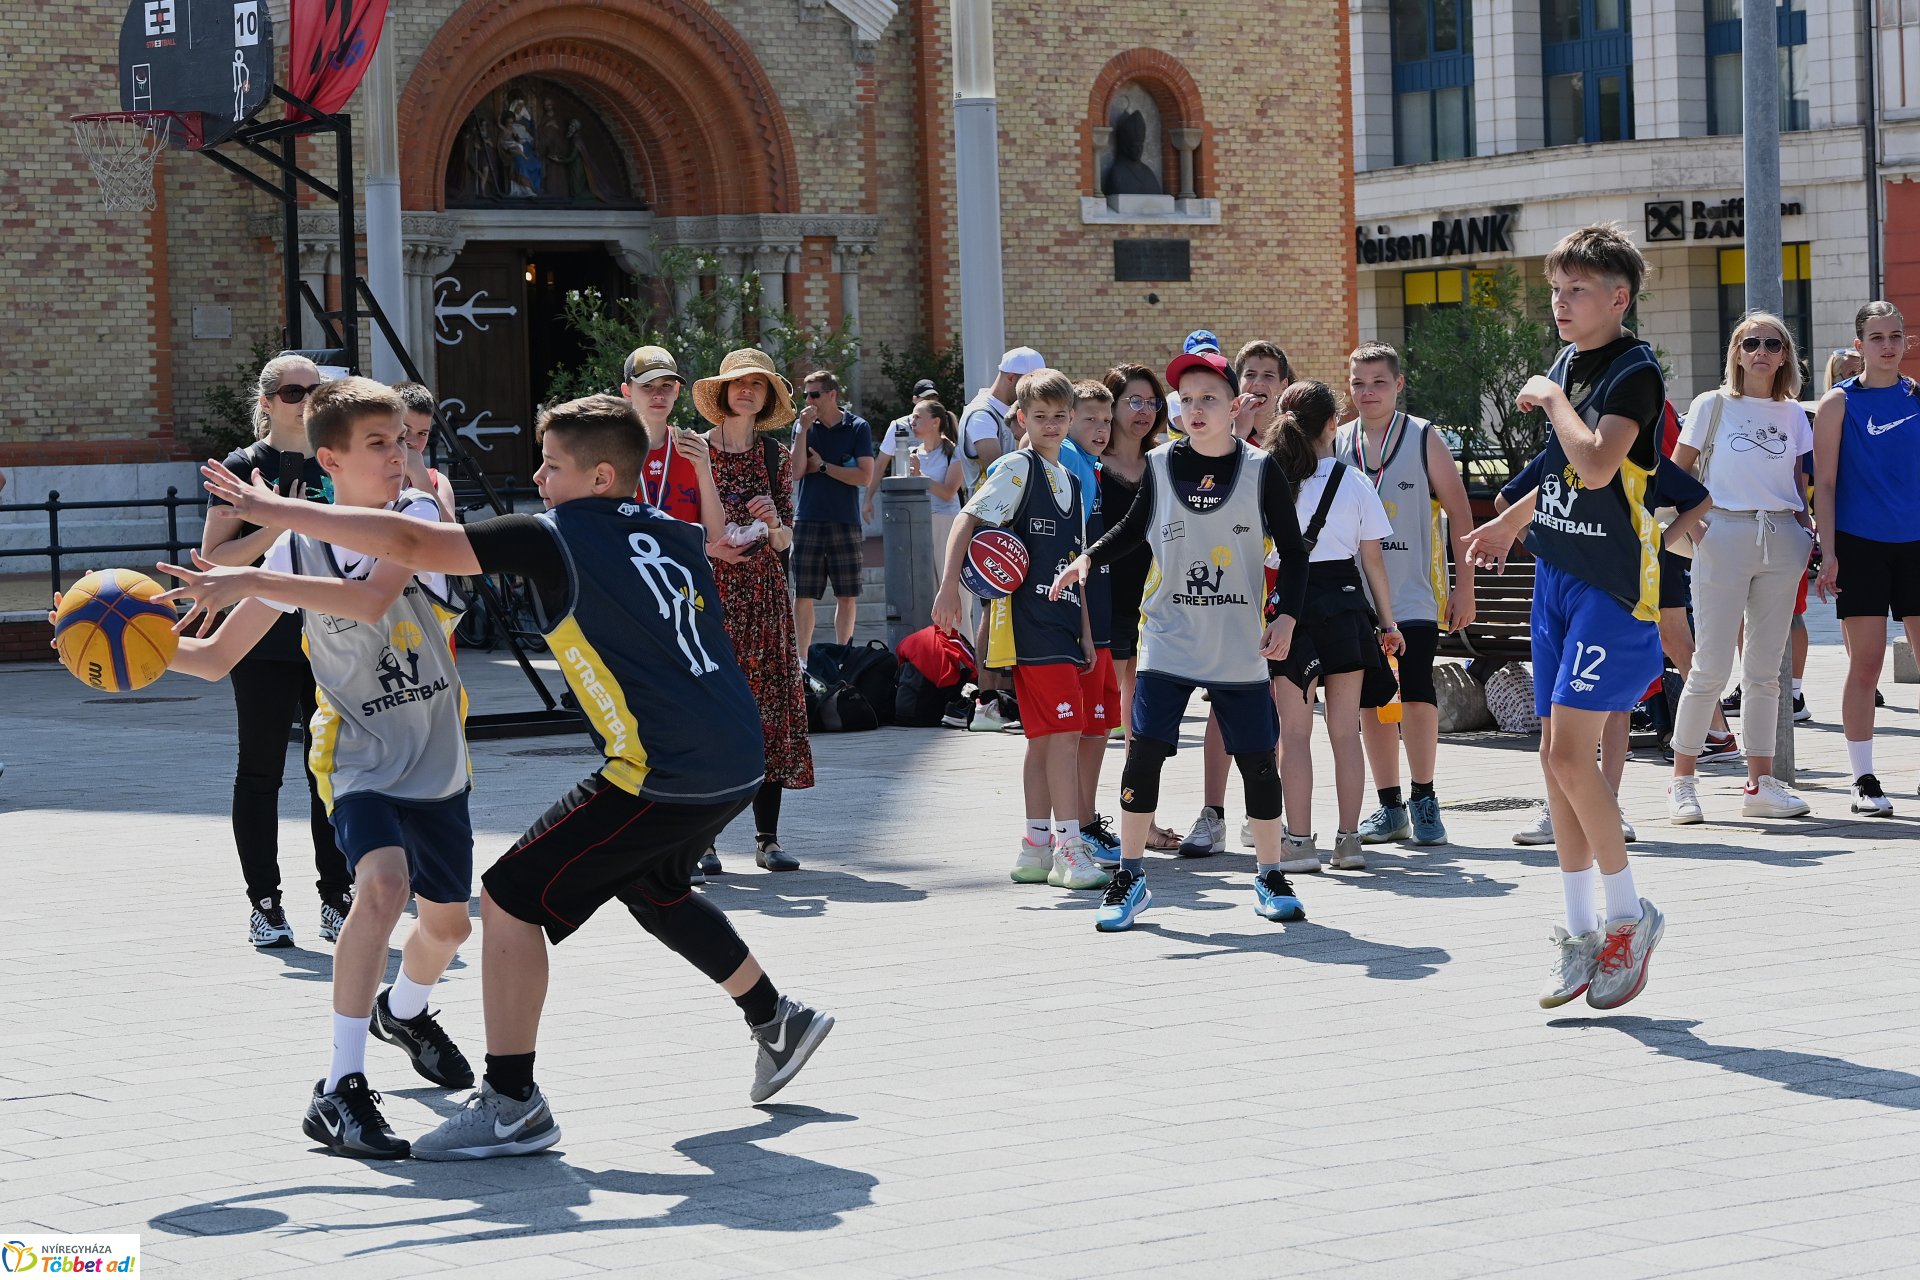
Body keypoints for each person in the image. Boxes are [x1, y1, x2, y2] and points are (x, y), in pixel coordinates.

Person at [196, 393, 835, 1160]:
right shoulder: (670, 530)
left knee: (506, 898)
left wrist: (277, 510)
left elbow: (403, 545)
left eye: (552, 465)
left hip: (660, 767)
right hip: (736, 756)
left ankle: (510, 1100)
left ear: (600, 477)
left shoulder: (553, 536)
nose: (537, 474)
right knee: (652, 883)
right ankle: (777, 1017)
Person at [157, 378, 474, 1159]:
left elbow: (369, 599)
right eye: (380, 443)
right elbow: (217, 654)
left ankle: (404, 1008)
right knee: (383, 887)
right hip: (357, 750)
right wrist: (123, 648)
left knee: (449, 925)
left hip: (435, 752)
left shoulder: (420, 512)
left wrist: (252, 574)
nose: (401, 456)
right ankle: (340, 1089)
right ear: (328, 458)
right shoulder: (297, 544)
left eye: (403, 440)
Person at [1463, 222, 1667, 1011]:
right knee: (1554, 760)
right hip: (1556, 575)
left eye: (1576, 290)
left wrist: (1549, 398)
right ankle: (1581, 933)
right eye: (1555, 289)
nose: (1560, 302)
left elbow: (1592, 463)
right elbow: (1554, 473)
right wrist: (1508, 521)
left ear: (1618, 298)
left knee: (1576, 758)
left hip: (1611, 590)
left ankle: (1629, 918)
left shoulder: (1633, 373)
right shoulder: (1569, 362)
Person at [1051, 350, 1310, 933]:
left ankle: (1270, 874)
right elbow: (1129, 530)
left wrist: (1287, 616)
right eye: (1186, 400)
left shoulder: (1262, 470)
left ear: (1234, 405)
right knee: (1143, 752)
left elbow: (1294, 553)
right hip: (1168, 636)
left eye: (1208, 400)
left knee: (1257, 762)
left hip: (1238, 640)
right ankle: (1131, 875)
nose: (1195, 410)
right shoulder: (1162, 465)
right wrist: (1087, 561)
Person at [932, 369, 1108, 892]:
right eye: (1040, 416)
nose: (1051, 425)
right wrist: (948, 590)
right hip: (1028, 624)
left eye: (1059, 416)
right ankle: (1069, 847)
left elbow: (1074, 563)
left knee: (1043, 739)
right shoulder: (1015, 468)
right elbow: (966, 519)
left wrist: (1085, 630)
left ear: (1071, 418)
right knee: (1065, 735)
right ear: (1021, 419)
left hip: (1064, 624)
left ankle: (1034, 849)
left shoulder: (1074, 484)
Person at [199, 353, 353, 950]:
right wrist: (275, 524)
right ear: (266, 402)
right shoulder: (244, 467)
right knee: (261, 772)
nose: (306, 400)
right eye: (293, 391)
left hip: (331, 636)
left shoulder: (337, 460)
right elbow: (215, 558)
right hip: (260, 639)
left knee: (330, 774)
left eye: (317, 390)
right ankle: (265, 904)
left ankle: (337, 899)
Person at [1667, 313, 1816, 823]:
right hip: (1722, 532)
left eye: (1772, 344)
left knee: (1765, 671)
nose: (1760, 351)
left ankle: (1760, 784)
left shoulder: (1794, 413)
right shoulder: (1712, 404)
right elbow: (1675, 472)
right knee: (1710, 665)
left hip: (1781, 538)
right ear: (1735, 351)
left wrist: (1806, 532)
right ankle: (1682, 782)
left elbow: (1797, 483)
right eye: (1750, 342)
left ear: (1784, 354)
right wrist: (1692, 528)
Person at [1338, 342, 1476, 850]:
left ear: (1398, 385)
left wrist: (1466, 586)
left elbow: (1461, 515)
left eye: (1378, 382)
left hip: (1414, 596)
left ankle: (1425, 798)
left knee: (1417, 695)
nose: (1367, 392)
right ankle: (1390, 805)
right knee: (1373, 704)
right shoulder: (1339, 442)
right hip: (1358, 599)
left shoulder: (1422, 438)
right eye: (1357, 383)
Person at [1265, 381, 1404, 873]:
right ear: (1333, 424)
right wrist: (1388, 623)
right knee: (1346, 734)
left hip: (1290, 611)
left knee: (1294, 736)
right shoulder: (1355, 481)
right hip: (1346, 610)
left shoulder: (1272, 479)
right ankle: (1349, 842)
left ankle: (1299, 842)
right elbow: (1373, 563)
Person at [694, 348, 812, 872]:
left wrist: (772, 523)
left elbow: (787, 539)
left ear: (766, 398)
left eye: (756, 385)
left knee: (769, 713)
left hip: (763, 597)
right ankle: (705, 840)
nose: (746, 390)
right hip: (711, 594)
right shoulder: (695, 451)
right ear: (721, 393)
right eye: (737, 383)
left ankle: (768, 839)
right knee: (712, 714)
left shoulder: (774, 456)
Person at [1184, 339, 1294, 856]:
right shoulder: (1223, 442)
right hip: (1221, 591)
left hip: (1278, 591)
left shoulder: (1291, 444)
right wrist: (1241, 428)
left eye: (1268, 375)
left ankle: (1263, 810)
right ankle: (1213, 812)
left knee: (1271, 704)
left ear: (1284, 385)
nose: (1257, 384)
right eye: (1248, 374)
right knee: (1220, 705)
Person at [1812, 301, 1920, 815]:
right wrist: (1828, 551)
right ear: (1859, 345)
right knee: (1867, 663)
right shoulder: (1838, 404)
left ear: (1906, 342)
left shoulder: (1918, 398)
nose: (1887, 345)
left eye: (1895, 336)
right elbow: (1825, 484)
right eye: (1876, 337)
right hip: (1860, 545)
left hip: (1916, 543)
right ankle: (1863, 779)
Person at [957, 349, 1045, 732]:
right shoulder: (981, 416)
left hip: (1002, 525)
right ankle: (988, 698)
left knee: (999, 612)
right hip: (988, 528)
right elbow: (996, 467)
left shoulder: (991, 412)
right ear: (1013, 381)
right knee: (992, 610)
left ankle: (999, 698)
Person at [1098, 365, 1168, 790]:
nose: (1144, 411)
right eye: (1134, 401)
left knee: (1142, 723)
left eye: (1152, 402)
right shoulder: (1088, 464)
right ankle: (1081, 820)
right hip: (1106, 603)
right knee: (1099, 723)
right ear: (1112, 404)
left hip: (1157, 604)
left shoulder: (1165, 462)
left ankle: (1141, 815)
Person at [1064, 379, 1123, 865]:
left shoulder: (1091, 465)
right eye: (1090, 419)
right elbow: (1073, 554)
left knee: (1099, 725)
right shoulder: (1066, 463)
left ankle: (1086, 819)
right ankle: (1076, 825)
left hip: (1101, 618)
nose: (1101, 429)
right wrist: (1083, 627)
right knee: (1082, 728)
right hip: (1081, 622)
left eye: (1106, 420)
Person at [618, 346, 735, 562]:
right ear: (627, 391)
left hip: (682, 581)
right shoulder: (610, 450)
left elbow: (716, 535)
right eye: (647, 386)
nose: (658, 395)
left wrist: (703, 470)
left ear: (677, 391)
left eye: (666, 386)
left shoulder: (692, 448)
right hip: (628, 577)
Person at [790, 370, 874, 654]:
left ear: (832, 395)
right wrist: (801, 430)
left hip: (844, 520)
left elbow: (864, 476)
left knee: (847, 594)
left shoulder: (857, 427)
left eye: (814, 395)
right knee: (803, 594)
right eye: (805, 395)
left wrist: (824, 466)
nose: (808, 401)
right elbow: (797, 471)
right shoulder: (803, 427)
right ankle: (801, 659)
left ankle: (844, 655)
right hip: (807, 519)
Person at [391, 382, 458, 519]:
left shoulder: (437, 481)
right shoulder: (369, 475)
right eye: (406, 430)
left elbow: (449, 535)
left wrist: (420, 477)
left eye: (422, 433)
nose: (412, 442)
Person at [867, 378, 941, 499]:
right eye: (925, 398)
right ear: (914, 399)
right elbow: (880, 464)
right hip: (907, 495)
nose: (929, 402)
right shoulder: (898, 426)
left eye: (933, 398)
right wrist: (868, 498)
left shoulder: (943, 424)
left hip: (939, 498)